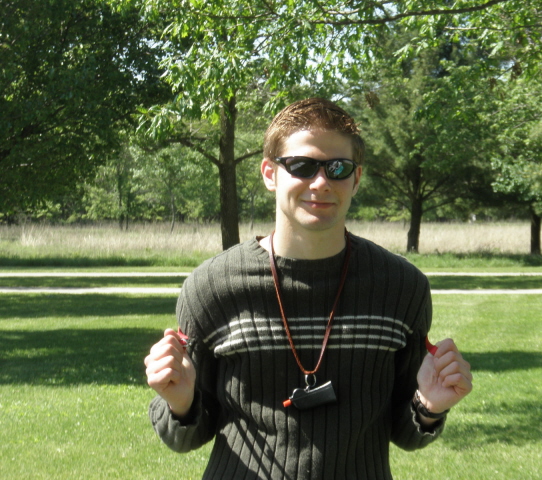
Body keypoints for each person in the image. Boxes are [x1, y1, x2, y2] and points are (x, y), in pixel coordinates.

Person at [144, 98, 473, 480]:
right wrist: (180, 403)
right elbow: (187, 435)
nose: (321, 183)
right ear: (270, 173)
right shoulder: (212, 288)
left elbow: (405, 429)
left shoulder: (401, 287)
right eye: (301, 166)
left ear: (357, 178)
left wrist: (429, 406)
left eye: (338, 168)